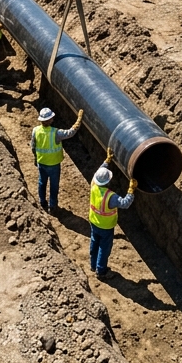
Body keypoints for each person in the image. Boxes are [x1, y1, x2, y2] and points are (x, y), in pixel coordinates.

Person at [88, 152, 135, 281]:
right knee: (104, 248)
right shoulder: (111, 196)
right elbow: (125, 203)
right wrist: (131, 191)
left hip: (94, 222)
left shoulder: (93, 185)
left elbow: (99, 172)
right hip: (106, 227)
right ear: (108, 181)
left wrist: (107, 161)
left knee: (94, 242)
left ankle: (93, 265)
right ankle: (101, 271)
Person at [32, 106, 82, 214]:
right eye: (51, 118)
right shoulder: (56, 133)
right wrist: (77, 123)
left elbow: (33, 146)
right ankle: (53, 206)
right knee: (54, 186)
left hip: (42, 162)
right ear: (49, 120)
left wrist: (36, 158)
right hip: (54, 165)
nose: (53, 119)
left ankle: (42, 201)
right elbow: (70, 133)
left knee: (42, 182)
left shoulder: (35, 131)